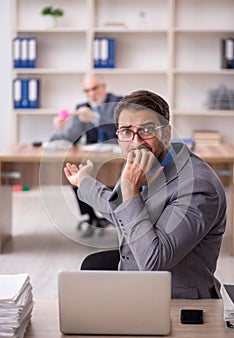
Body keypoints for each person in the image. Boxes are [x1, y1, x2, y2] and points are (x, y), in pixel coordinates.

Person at [64, 90, 227, 299]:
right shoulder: (143, 160)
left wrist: (131, 191)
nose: (135, 141)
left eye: (147, 130)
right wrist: (84, 183)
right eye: (126, 131)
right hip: (137, 283)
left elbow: (154, 262)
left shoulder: (198, 186)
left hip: (176, 301)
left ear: (166, 133)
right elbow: (120, 211)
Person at [51, 74, 122, 237]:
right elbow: (70, 139)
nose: (91, 94)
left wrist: (96, 118)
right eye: (87, 90)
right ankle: (91, 217)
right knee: (75, 172)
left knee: (112, 180)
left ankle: (115, 217)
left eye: (95, 88)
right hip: (93, 157)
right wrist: (60, 129)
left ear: (103, 87)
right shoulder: (82, 106)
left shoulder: (118, 103)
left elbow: (119, 132)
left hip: (116, 158)